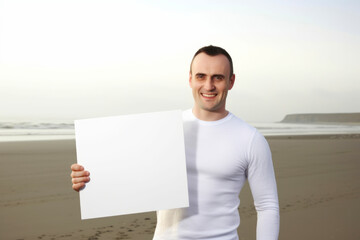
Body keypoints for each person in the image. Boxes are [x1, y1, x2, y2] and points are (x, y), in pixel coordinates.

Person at [71, 45, 280, 240]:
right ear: (190, 79)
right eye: (201, 76)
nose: (209, 85)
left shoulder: (250, 139)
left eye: (218, 77)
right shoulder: (164, 130)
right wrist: (89, 178)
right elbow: (126, 173)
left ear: (231, 81)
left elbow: (267, 205)